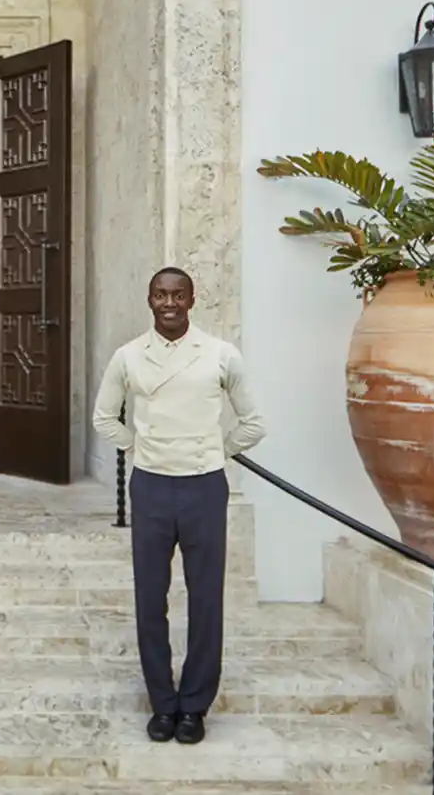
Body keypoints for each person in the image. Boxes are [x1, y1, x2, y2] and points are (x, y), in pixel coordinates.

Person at [92, 266, 266, 746]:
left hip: (204, 486)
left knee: (206, 599)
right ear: (149, 299)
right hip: (150, 486)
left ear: (192, 300)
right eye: (160, 294)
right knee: (150, 599)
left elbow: (253, 423)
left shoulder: (220, 355)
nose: (169, 303)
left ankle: (194, 706)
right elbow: (103, 417)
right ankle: (162, 703)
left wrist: (217, 450)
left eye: (178, 295)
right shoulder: (129, 356)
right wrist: (138, 446)